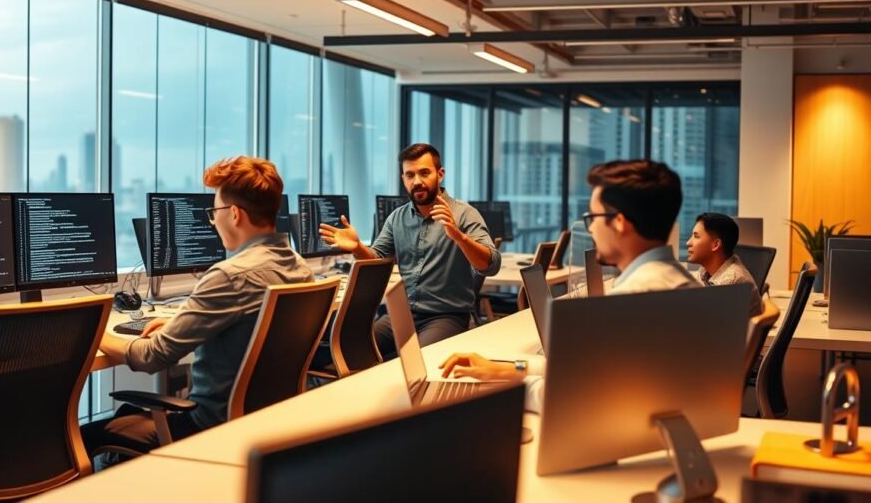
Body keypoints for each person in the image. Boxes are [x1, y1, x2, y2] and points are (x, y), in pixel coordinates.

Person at [82, 156, 313, 459]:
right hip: (268, 421)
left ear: (234, 214)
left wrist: (91, 332)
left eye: (213, 212)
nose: (213, 220)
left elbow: (152, 356)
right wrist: (179, 323)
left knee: (82, 437)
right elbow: (246, 322)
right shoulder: (299, 267)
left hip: (209, 427)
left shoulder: (229, 275)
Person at [438, 159, 699, 410]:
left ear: (619, 223)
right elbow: (579, 371)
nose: (592, 229)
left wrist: (499, 385)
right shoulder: (684, 285)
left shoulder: (630, 301)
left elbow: (571, 396)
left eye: (592, 218)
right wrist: (505, 369)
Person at [319, 143, 500, 356]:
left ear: (440, 174)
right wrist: (358, 247)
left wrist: (459, 237)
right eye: (410, 175)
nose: (417, 182)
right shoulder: (397, 218)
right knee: (351, 347)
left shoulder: (464, 214)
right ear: (403, 179)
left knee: (419, 359)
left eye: (424, 173)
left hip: (446, 316)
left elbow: (491, 265)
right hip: (402, 314)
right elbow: (376, 258)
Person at [687, 212, 763, 317]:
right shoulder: (707, 270)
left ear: (716, 245)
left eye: (696, 236)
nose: (688, 243)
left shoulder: (732, 281)